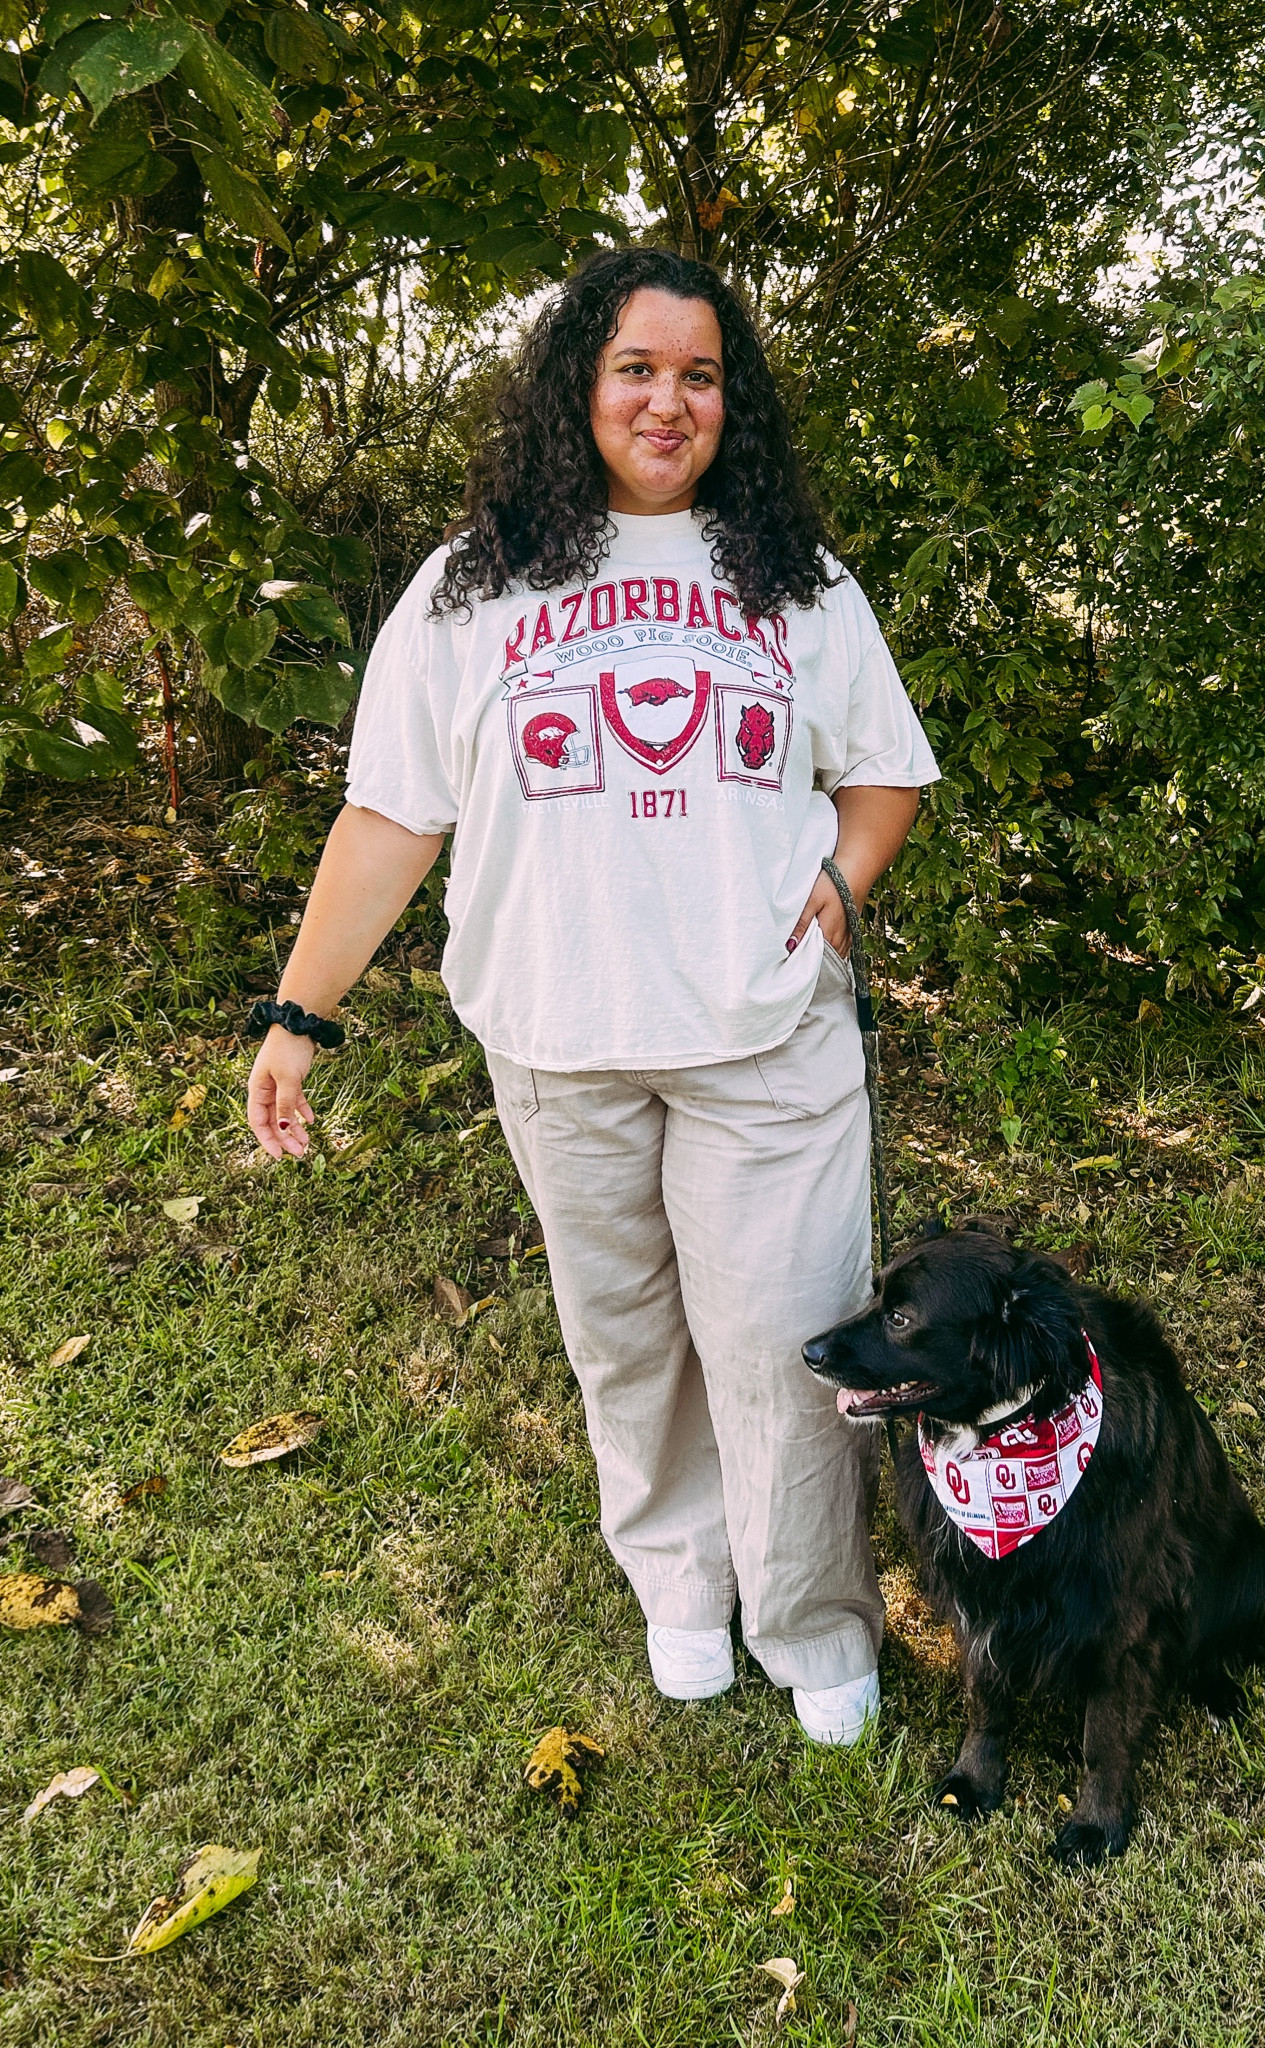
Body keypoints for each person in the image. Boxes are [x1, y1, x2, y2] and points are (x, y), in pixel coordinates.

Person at [246, 248, 939, 1744]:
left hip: (766, 1039)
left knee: (790, 1340)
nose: (667, 401)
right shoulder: (473, 585)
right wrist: (301, 1015)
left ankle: (816, 1623)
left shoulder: (797, 581)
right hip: (559, 1044)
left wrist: (840, 891)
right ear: (579, 386)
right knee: (624, 1336)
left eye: (699, 375)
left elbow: (883, 770)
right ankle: (681, 1591)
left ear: (730, 401)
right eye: (636, 368)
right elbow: (389, 819)